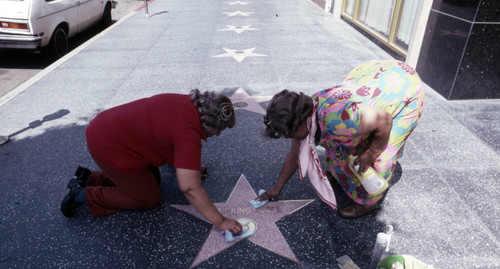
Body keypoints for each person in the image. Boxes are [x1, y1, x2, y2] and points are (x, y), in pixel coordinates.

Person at [61, 89, 243, 235]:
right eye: (219, 129)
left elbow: (165, 133)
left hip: (106, 128)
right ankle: (82, 194)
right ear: (207, 122)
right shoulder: (188, 132)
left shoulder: (187, 103)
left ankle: (89, 177)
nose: (218, 134)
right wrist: (221, 221)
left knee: (153, 179)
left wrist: (189, 166)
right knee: (148, 198)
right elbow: (189, 188)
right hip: (108, 146)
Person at [258, 60, 425, 219]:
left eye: (290, 134)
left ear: (300, 122)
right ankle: (344, 177)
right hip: (374, 83)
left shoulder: (342, 119)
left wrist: (372, 152)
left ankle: (368, 203)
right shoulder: (305, 113)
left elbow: (385, 120)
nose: (290, 138)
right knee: (341, 147)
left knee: (382, 155)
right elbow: (295, 154)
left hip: (402, 89)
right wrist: (277, 188)